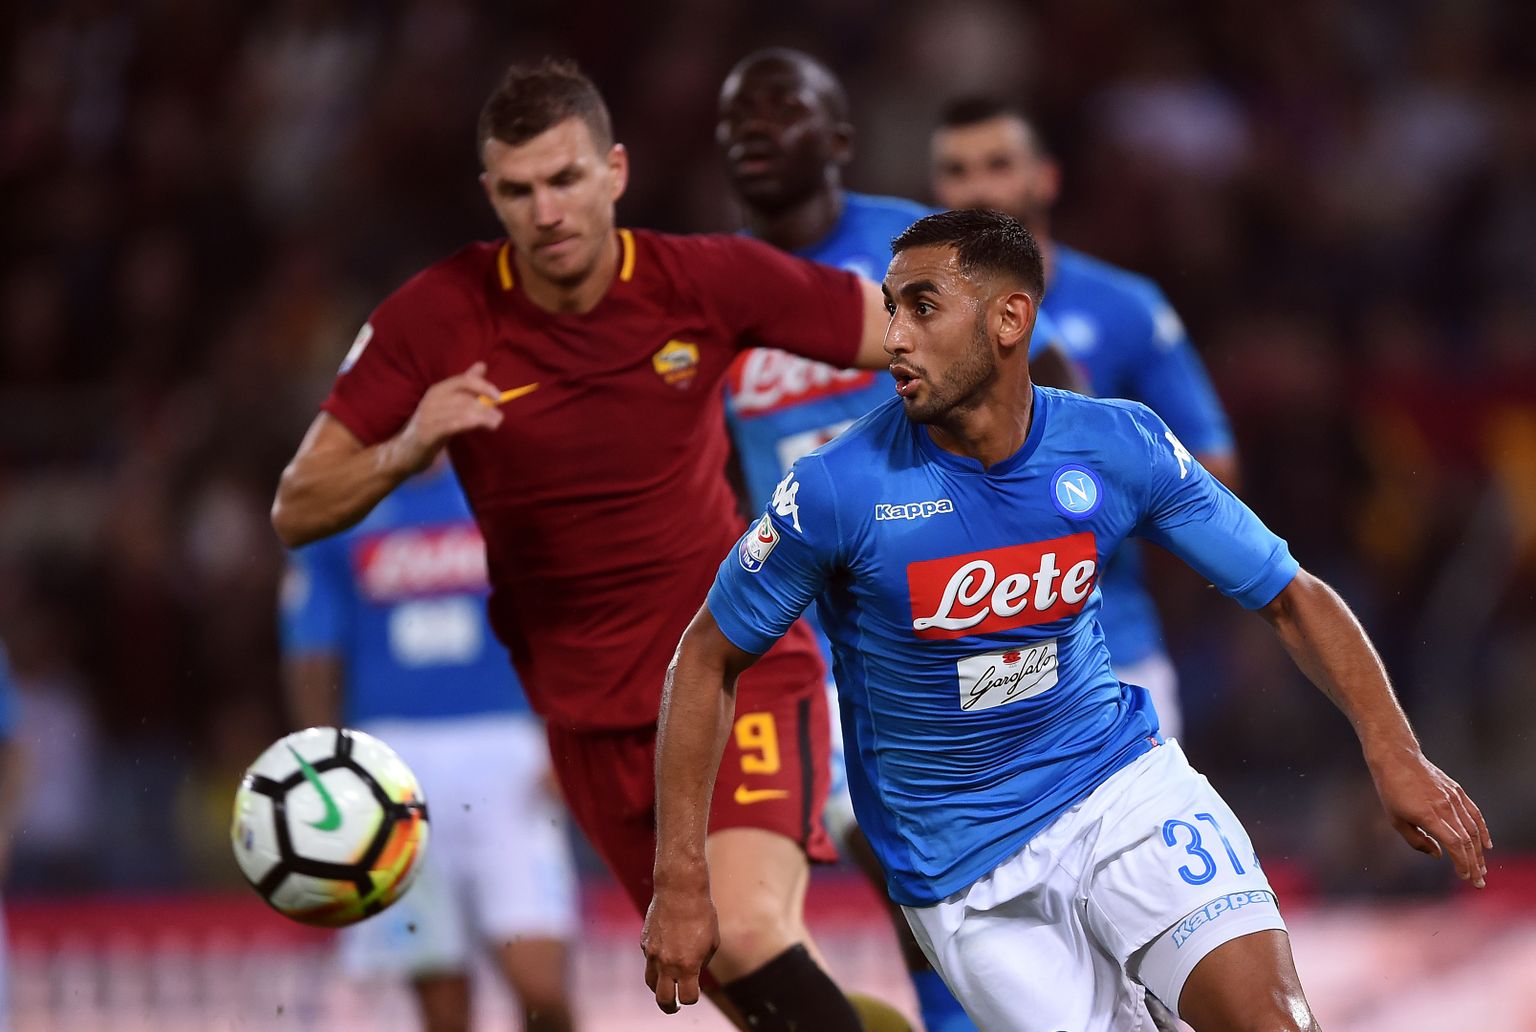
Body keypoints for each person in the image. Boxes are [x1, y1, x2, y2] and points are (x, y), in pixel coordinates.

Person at [643, 210, 1491, 1030]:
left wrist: (1394, 751)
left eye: (922, 308)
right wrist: (681, 879)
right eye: (891, 308)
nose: (893, 337)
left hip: (1118, 789)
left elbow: (1288, 593)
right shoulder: (836, 488)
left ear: (1010, 319)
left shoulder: (1117, 444)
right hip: (963, 872)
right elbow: (706, 659)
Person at [271, 58, 897, 1032]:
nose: (547, 211)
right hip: (587, 724)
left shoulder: (702, 279)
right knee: (747, 989)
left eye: (565, 179)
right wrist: (406, 447)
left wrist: (986, 467)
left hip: (736, 669)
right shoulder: (437, 316)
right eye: (519, 191)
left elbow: (906, 338)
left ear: (614, 172)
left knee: (737, 930)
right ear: (491, 195)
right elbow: (297, 505)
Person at [715, 48, 1071, 1032]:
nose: (755, 130)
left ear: (839, 138)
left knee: (1007, 859)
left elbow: (1050, 377)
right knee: (891, 850)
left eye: (782, 109)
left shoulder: (917, 251)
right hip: (821, 632)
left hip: (962, 596)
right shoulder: (711, 291)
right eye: (737, 117)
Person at [930, 96, 1237, 741]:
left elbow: (1212, 467)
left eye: (998, 164)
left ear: (1045, 178)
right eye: (957, 171)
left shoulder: (1124, 307)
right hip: (960, 662)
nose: (979, 188)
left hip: (1113, 650)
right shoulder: (901, 326)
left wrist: (1094, 500)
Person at [280, 459, 577, 1032]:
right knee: (441, 1002)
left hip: (508, 749)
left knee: (541, 985)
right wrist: (323, 768)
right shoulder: (341, 500)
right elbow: (311, 646)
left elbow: (565, 618)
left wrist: (566, 731)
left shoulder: (510, 483)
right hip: (391, 761)